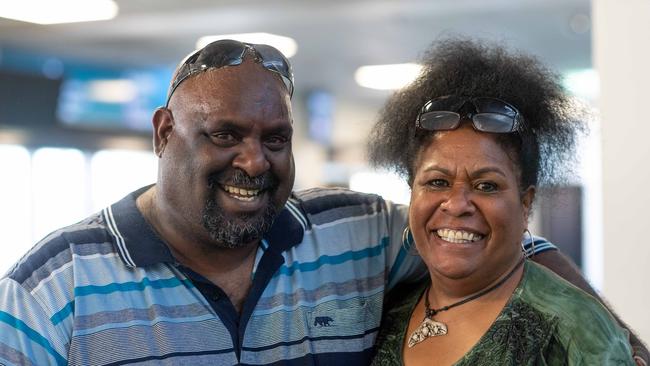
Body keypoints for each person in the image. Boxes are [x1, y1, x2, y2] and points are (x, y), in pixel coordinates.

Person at [0, 39, 642, 366]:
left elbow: (503, 248)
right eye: (225, 135)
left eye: (274, 139)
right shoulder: (52, 289)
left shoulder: (351, 234)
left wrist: (618, 345)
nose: (253, 162)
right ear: (165, 132)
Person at [368, 38, 639, 365]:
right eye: (437, 182)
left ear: (526, 204)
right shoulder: (387, 313)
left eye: (486, 185)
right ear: (412, 192)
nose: (456, 204)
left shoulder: (572, 330)